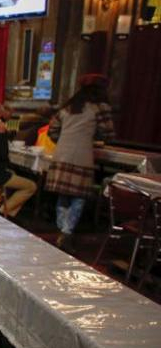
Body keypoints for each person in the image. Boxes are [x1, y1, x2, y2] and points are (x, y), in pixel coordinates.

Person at [46, 74, 115, 248]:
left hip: (61, 154)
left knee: (63, 194)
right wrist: (91, 138)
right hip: (82, 155)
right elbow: (108, 133)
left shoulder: (68, 107)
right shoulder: (100, 107)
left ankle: (62, 228)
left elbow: (52, 131)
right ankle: (67, 232)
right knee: (79, 196)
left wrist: (66, 141)